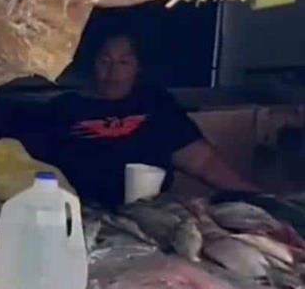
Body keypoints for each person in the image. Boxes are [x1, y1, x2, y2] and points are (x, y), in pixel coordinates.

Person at [45, 32, 258, 207]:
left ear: (138, 67)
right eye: (105, 61)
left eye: (124, 62)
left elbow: (202, 161)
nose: (113, 72)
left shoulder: (155, 105)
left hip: (152, 216)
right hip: (81, 214)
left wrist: (257, 198)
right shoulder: (64, 109)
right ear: (92, 63)